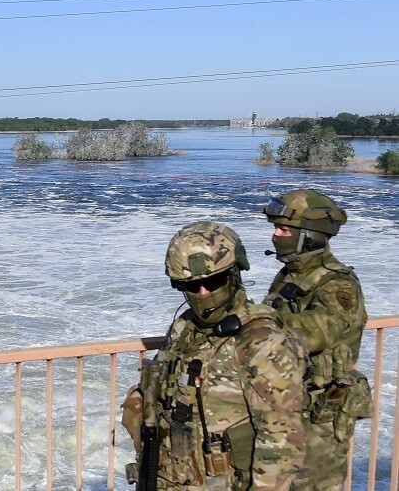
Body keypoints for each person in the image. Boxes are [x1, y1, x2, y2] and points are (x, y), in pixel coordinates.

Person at [121, 221, 305, 490]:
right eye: (191, 286)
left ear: (234, 273)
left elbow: (282, 438)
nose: (203, 293)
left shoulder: (260, 339)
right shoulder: (185, 326)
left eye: (213, 281)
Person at [261, 189, 372, 491]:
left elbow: (314, 332)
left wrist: (253, 322)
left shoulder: (336, 284)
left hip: (320, 414)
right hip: (287, 406)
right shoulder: (290, 274)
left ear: (310, 236)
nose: (275, 235)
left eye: (283, 229)